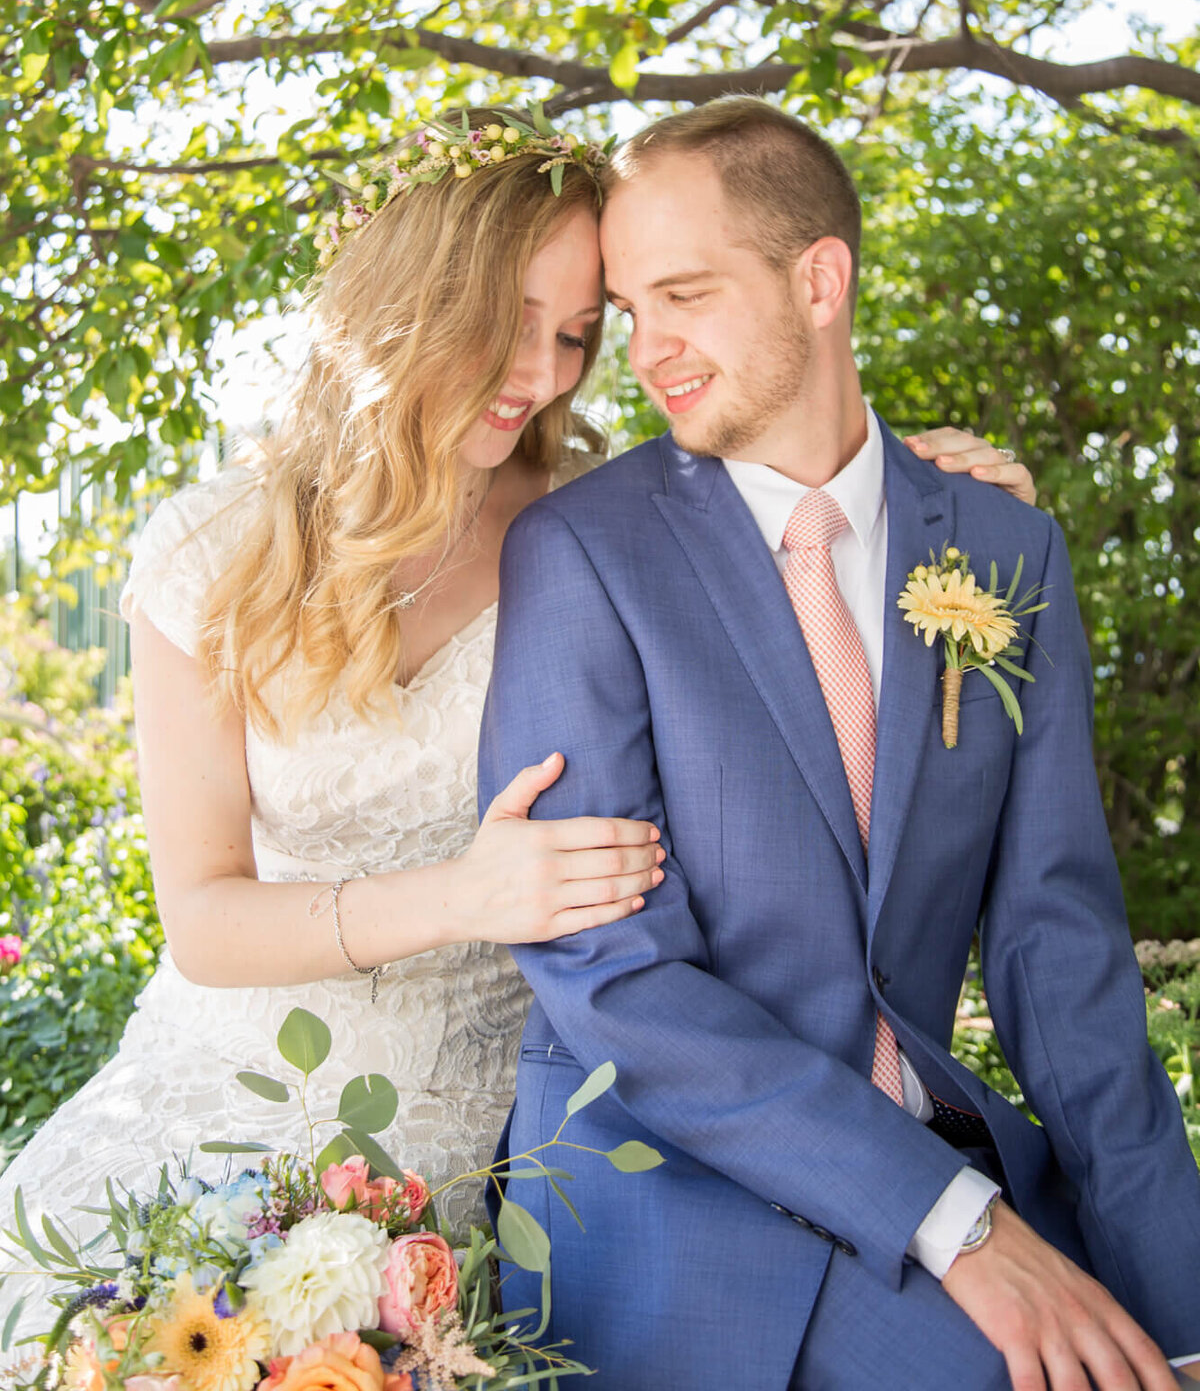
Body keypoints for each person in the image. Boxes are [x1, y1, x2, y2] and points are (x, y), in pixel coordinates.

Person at [0, 106, 1029, 1348]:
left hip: (497, 1144)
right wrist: (465, 893)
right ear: (407, 302)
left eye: (580, 335)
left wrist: (916, 491)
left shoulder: (617, 531)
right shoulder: (210, 554)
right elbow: (204, 917)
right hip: (218, 1095)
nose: (542, 376)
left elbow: (803, 520)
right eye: (509, 328)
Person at [478, 97, 1200, 1391]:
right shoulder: (584, 553)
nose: (652, 351)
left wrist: (1183, 1302)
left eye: (686, 295)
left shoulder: (998, 546)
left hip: (949, 1165)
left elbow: (1059, 949)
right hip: (674, 1193)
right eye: (633, 313)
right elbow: (610, 975)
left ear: (820, 279)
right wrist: (956, 1221)